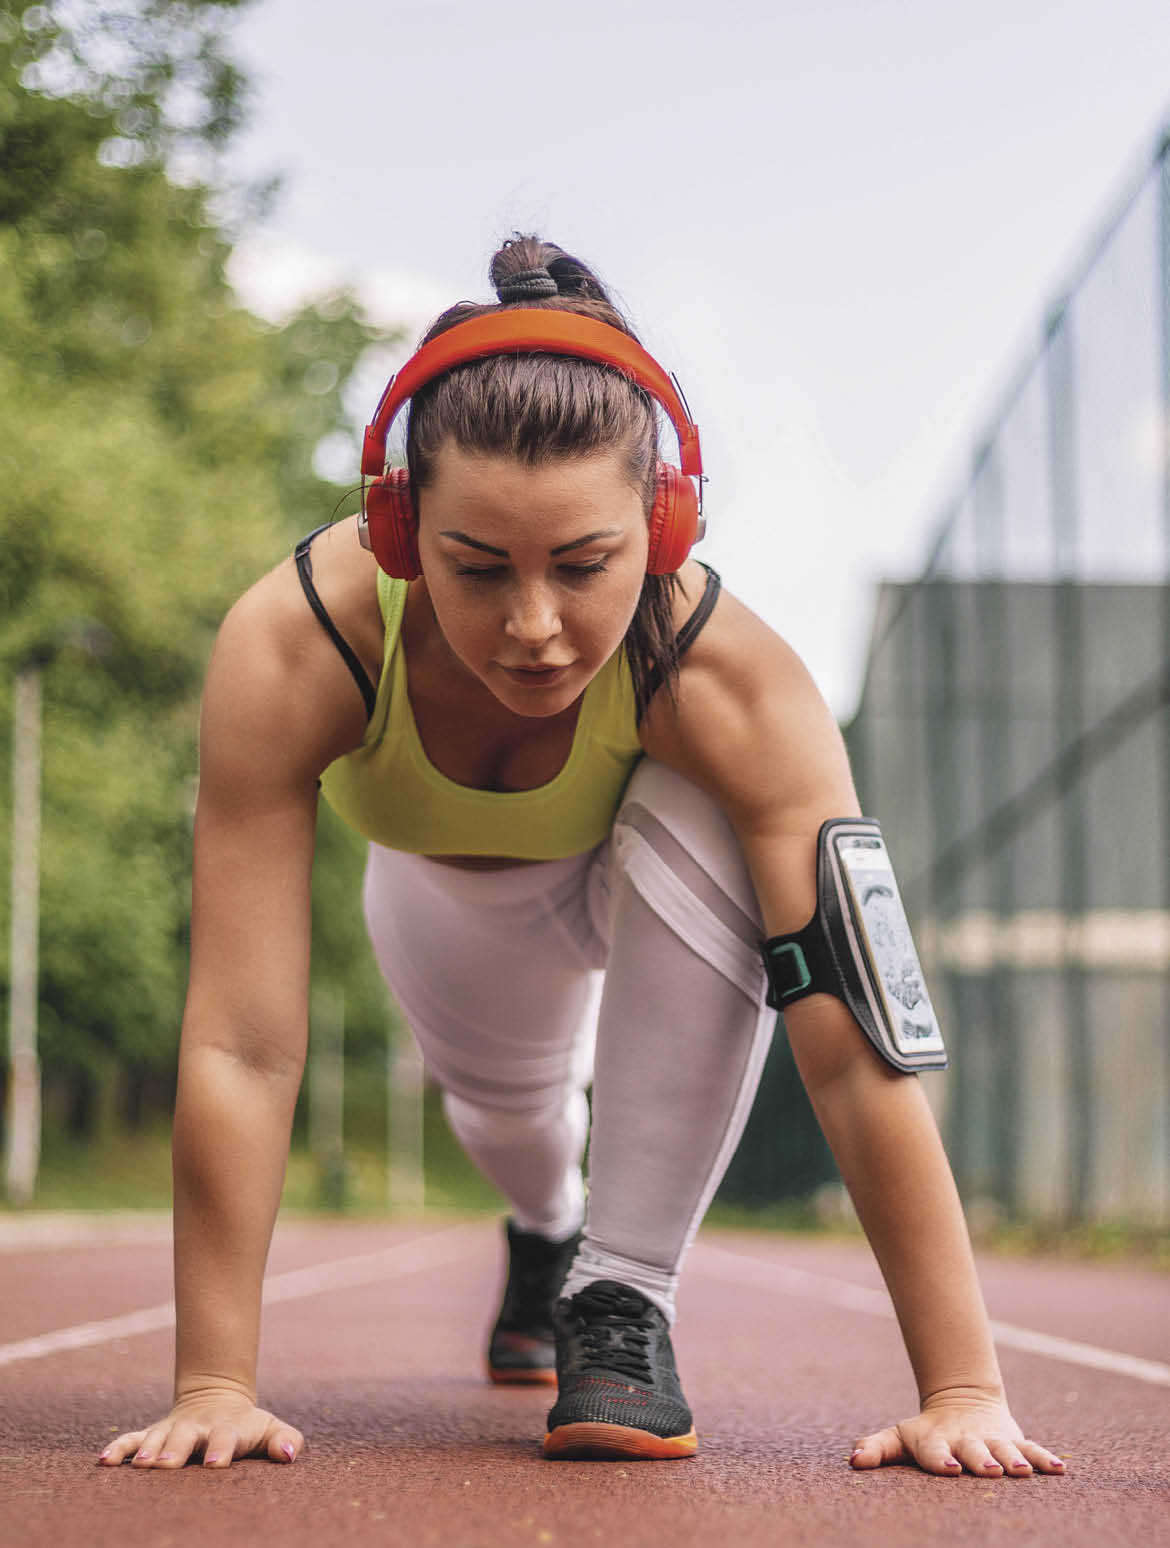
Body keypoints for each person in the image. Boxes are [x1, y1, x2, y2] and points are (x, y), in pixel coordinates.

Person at [98, 236, 1065, 1477]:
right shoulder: (298, 645)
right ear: (399, 529)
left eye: (586, 565)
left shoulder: (737, 683)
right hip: (444, 904)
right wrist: (214, 1383)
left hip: (657, 879)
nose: (538, 628)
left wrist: (965, 1385)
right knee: (518, 1130)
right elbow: (242, 1038)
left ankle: (618, 1297)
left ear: (662, 525)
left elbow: (850, 1030)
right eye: (479, 569)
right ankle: (547, 1228)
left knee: (710, 800)